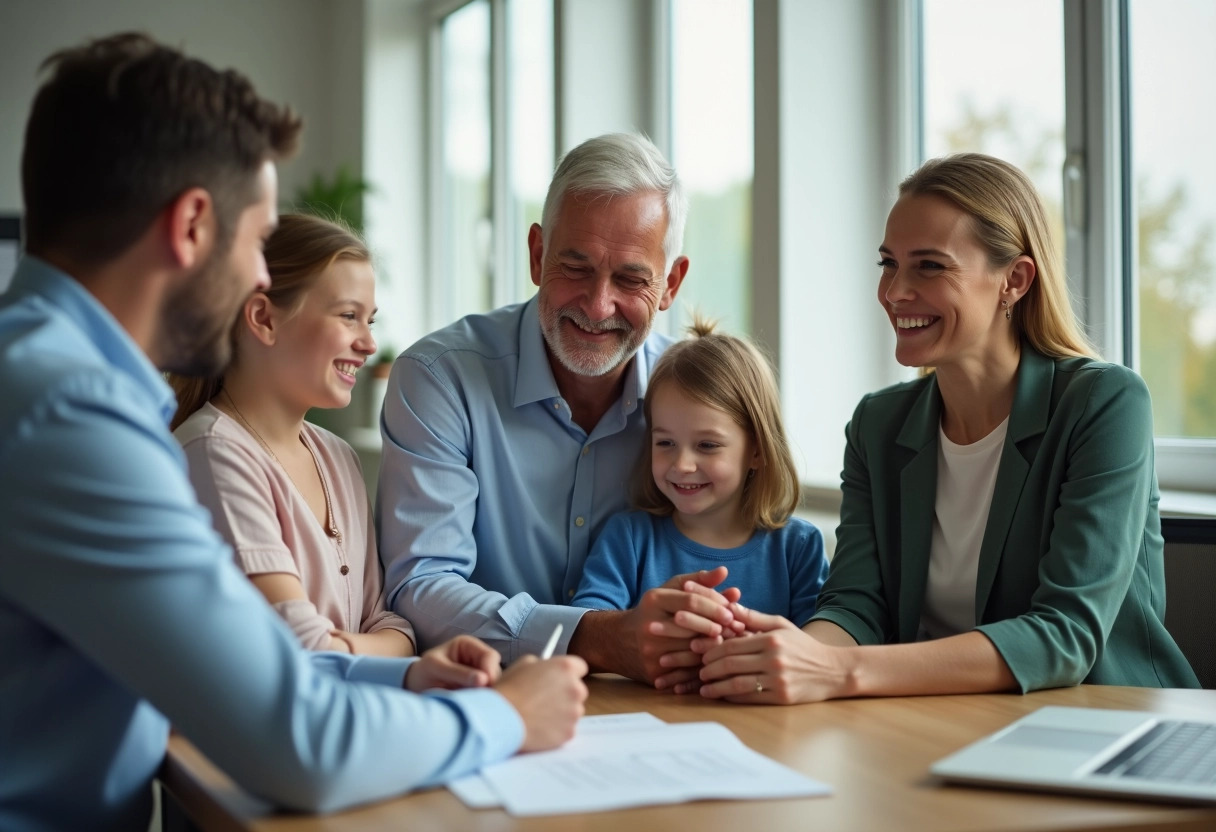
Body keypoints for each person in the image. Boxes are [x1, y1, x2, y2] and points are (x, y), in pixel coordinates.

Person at [0, 33, 586, 832]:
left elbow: (263, 674)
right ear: (193, 226)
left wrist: (407, 680)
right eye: (256, 241)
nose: (255, 279)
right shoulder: (73, 419)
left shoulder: (36, 374)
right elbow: (299, 743)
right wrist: (510, 716)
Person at [695, 152, 1201, 703]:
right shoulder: (877, 425)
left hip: (1104, 724)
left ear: (1015, 279)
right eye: (888, 263)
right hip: (940, 722)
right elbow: (856, 605)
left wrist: (838, 673)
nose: (894, 291)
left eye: (929, 266)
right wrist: (786, 656)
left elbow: (1065, 635)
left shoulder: (1104, 403)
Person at [377, 133, 745, 690]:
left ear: (670, 284)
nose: (598, 306)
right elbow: (422, 585)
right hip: (483, 699)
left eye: (630, 279)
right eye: (574, 268)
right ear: (536, 255)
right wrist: (596, 638)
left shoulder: (707, 403)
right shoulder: (439, 378)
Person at [171, 214, 414, 657]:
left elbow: (393, 625)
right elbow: (299, 648)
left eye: (370, 321)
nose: (367, 344)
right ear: (263, 318)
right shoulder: (211, 454)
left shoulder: (341, 458)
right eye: (348, 316)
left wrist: (345, 647)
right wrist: (365, 649)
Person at [571, 319, 828, 685]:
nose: (682, 465)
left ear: (756, 450)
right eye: (665, 443)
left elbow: (814, 656)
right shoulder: (628, 537)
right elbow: (588, 627)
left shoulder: (798, 548)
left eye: (707, 445)